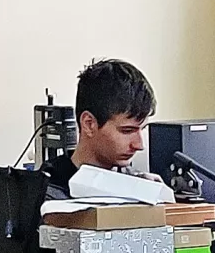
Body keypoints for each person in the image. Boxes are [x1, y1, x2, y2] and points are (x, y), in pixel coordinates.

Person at [41, 58, 157, 198]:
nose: (139, 145)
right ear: (89, 124)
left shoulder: (138, 185)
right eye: (127, 131)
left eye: (142, 129)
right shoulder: (44, 194)